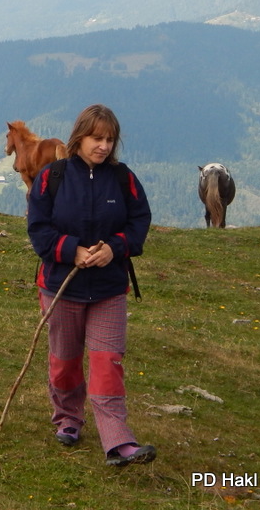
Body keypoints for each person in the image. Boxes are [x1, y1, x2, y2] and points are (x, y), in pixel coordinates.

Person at [27, 104, 155, 468]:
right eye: (97, 138)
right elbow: (38, 228)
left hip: (108, 289)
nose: (104, 146)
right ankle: (68, 419)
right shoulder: (53, 176)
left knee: (107, 362)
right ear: (79, 137)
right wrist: (72, 250)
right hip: (61, 287)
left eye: (110, 139)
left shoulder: (123, 178)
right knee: (64, 361)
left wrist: (115, 248)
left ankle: (118, 440)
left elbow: (139, 221)